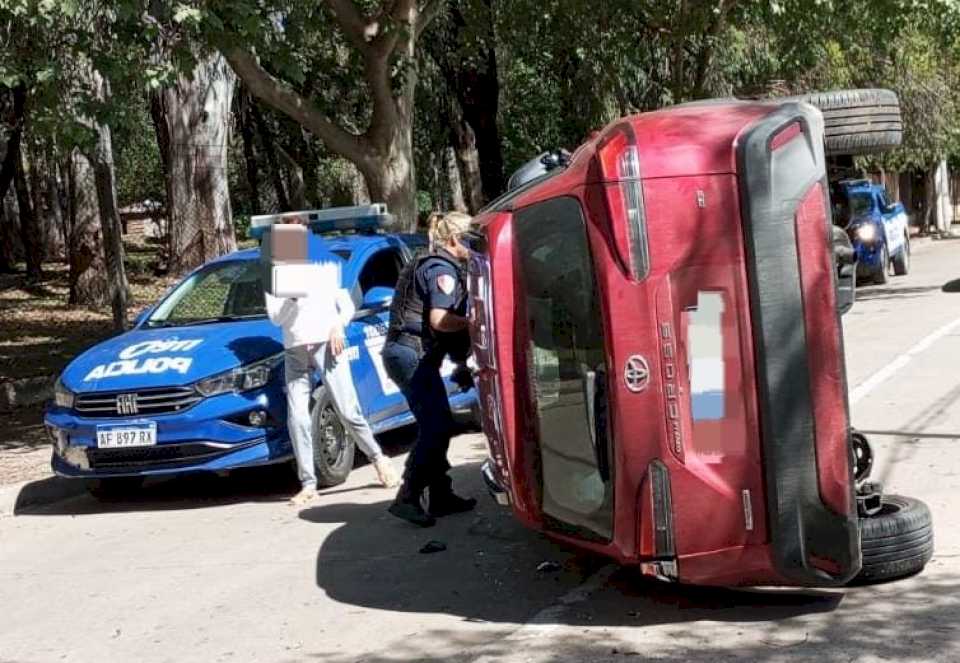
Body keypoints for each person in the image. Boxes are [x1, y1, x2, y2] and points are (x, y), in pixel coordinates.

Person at [265, 218, 399, 506]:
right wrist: (290, 298)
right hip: (295, 350)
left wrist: (338, 326)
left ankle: (379, 459)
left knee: (347, 409)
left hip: (328, 344)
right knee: (297, 416)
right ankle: (308, 483)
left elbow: (347, 303)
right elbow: (275, 318)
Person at [382, 211, 477, 527]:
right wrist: (477, 322)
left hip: (411, 353)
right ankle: (407, 496)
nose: (476, 246)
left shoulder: (436, 263)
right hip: (411, 354)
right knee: (437, 426)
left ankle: (440, 495)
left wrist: (462, 363)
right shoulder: (441, 269)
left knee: (438, 423)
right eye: (471, 239)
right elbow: (440, 320)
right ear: (454, 240)